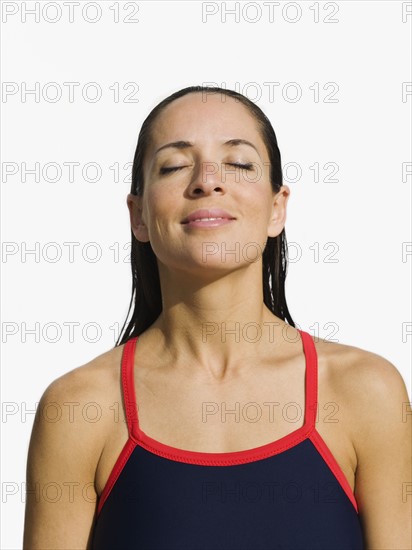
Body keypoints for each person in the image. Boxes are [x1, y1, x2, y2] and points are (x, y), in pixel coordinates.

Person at [23, 86, 411, 550]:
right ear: (138, 216)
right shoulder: (78, 408)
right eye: (174, 165)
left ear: (276, 207)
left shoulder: (367, 390)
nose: (207, 180)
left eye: (239, 163)